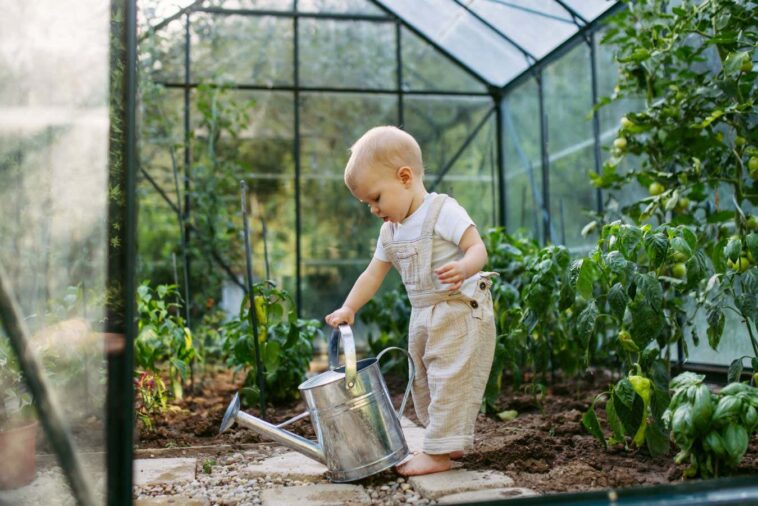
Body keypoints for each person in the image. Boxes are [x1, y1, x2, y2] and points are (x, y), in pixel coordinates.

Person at [325, 126, 497, 476]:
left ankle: (438, 454)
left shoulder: (442, 210)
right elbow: (372, 274)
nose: (373, 209)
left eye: (375, 198)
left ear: (404, 177)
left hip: (459, 308)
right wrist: (349, 307)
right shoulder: (391, 230)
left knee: (450, 378)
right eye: (367, 204)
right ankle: (447, 443)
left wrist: (464, 267)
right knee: (423, 382)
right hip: (424, 314)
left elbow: (478, 248)